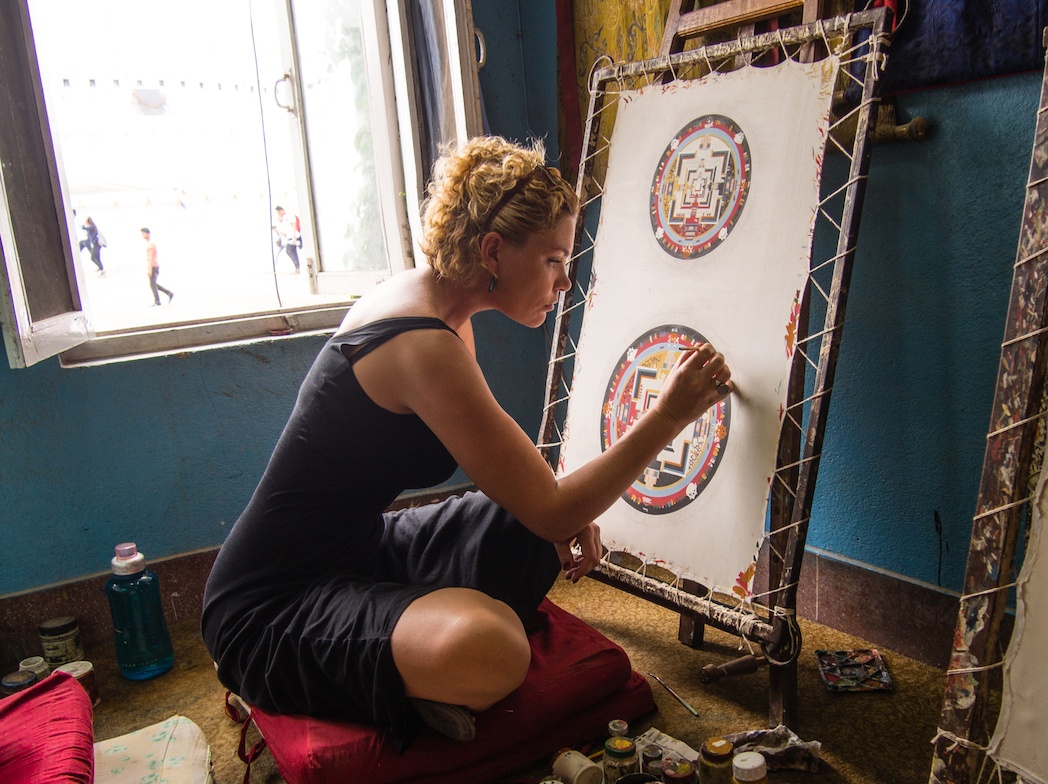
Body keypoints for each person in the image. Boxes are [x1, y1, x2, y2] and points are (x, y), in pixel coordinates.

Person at [201, 136, 733, 751]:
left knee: (534, 531)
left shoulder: (443, 310)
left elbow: (524, 483)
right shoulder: (421, 343)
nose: (564, 281)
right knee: (496, 649)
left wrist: (557, 511)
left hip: (359, 551)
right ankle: (400, 668)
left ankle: (408, 653)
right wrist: (668, 415)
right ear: (492, 251)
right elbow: (556, 505)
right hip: (271, 603)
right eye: (554, 260)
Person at [140, 227, 174, 305]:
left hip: (153, 266)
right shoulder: (150, 244)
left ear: (147, 234)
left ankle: (157, 301)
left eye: (143, 233)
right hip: (154, 266)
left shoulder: (150, 245)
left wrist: (149, 269)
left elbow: (150, 257)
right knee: (153, 284)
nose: (142, 235)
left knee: (153, 285)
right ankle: (169, 293)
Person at [273, 205, 302, 273]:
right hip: (290, 237)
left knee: (289, 251)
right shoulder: (284, 218)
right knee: (292, 251)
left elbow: (293, 224)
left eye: (278, 212)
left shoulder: (289, 215)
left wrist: (294, 236)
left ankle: (297, 267)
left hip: (293, 236)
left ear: (281, 210)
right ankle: (297, 267)